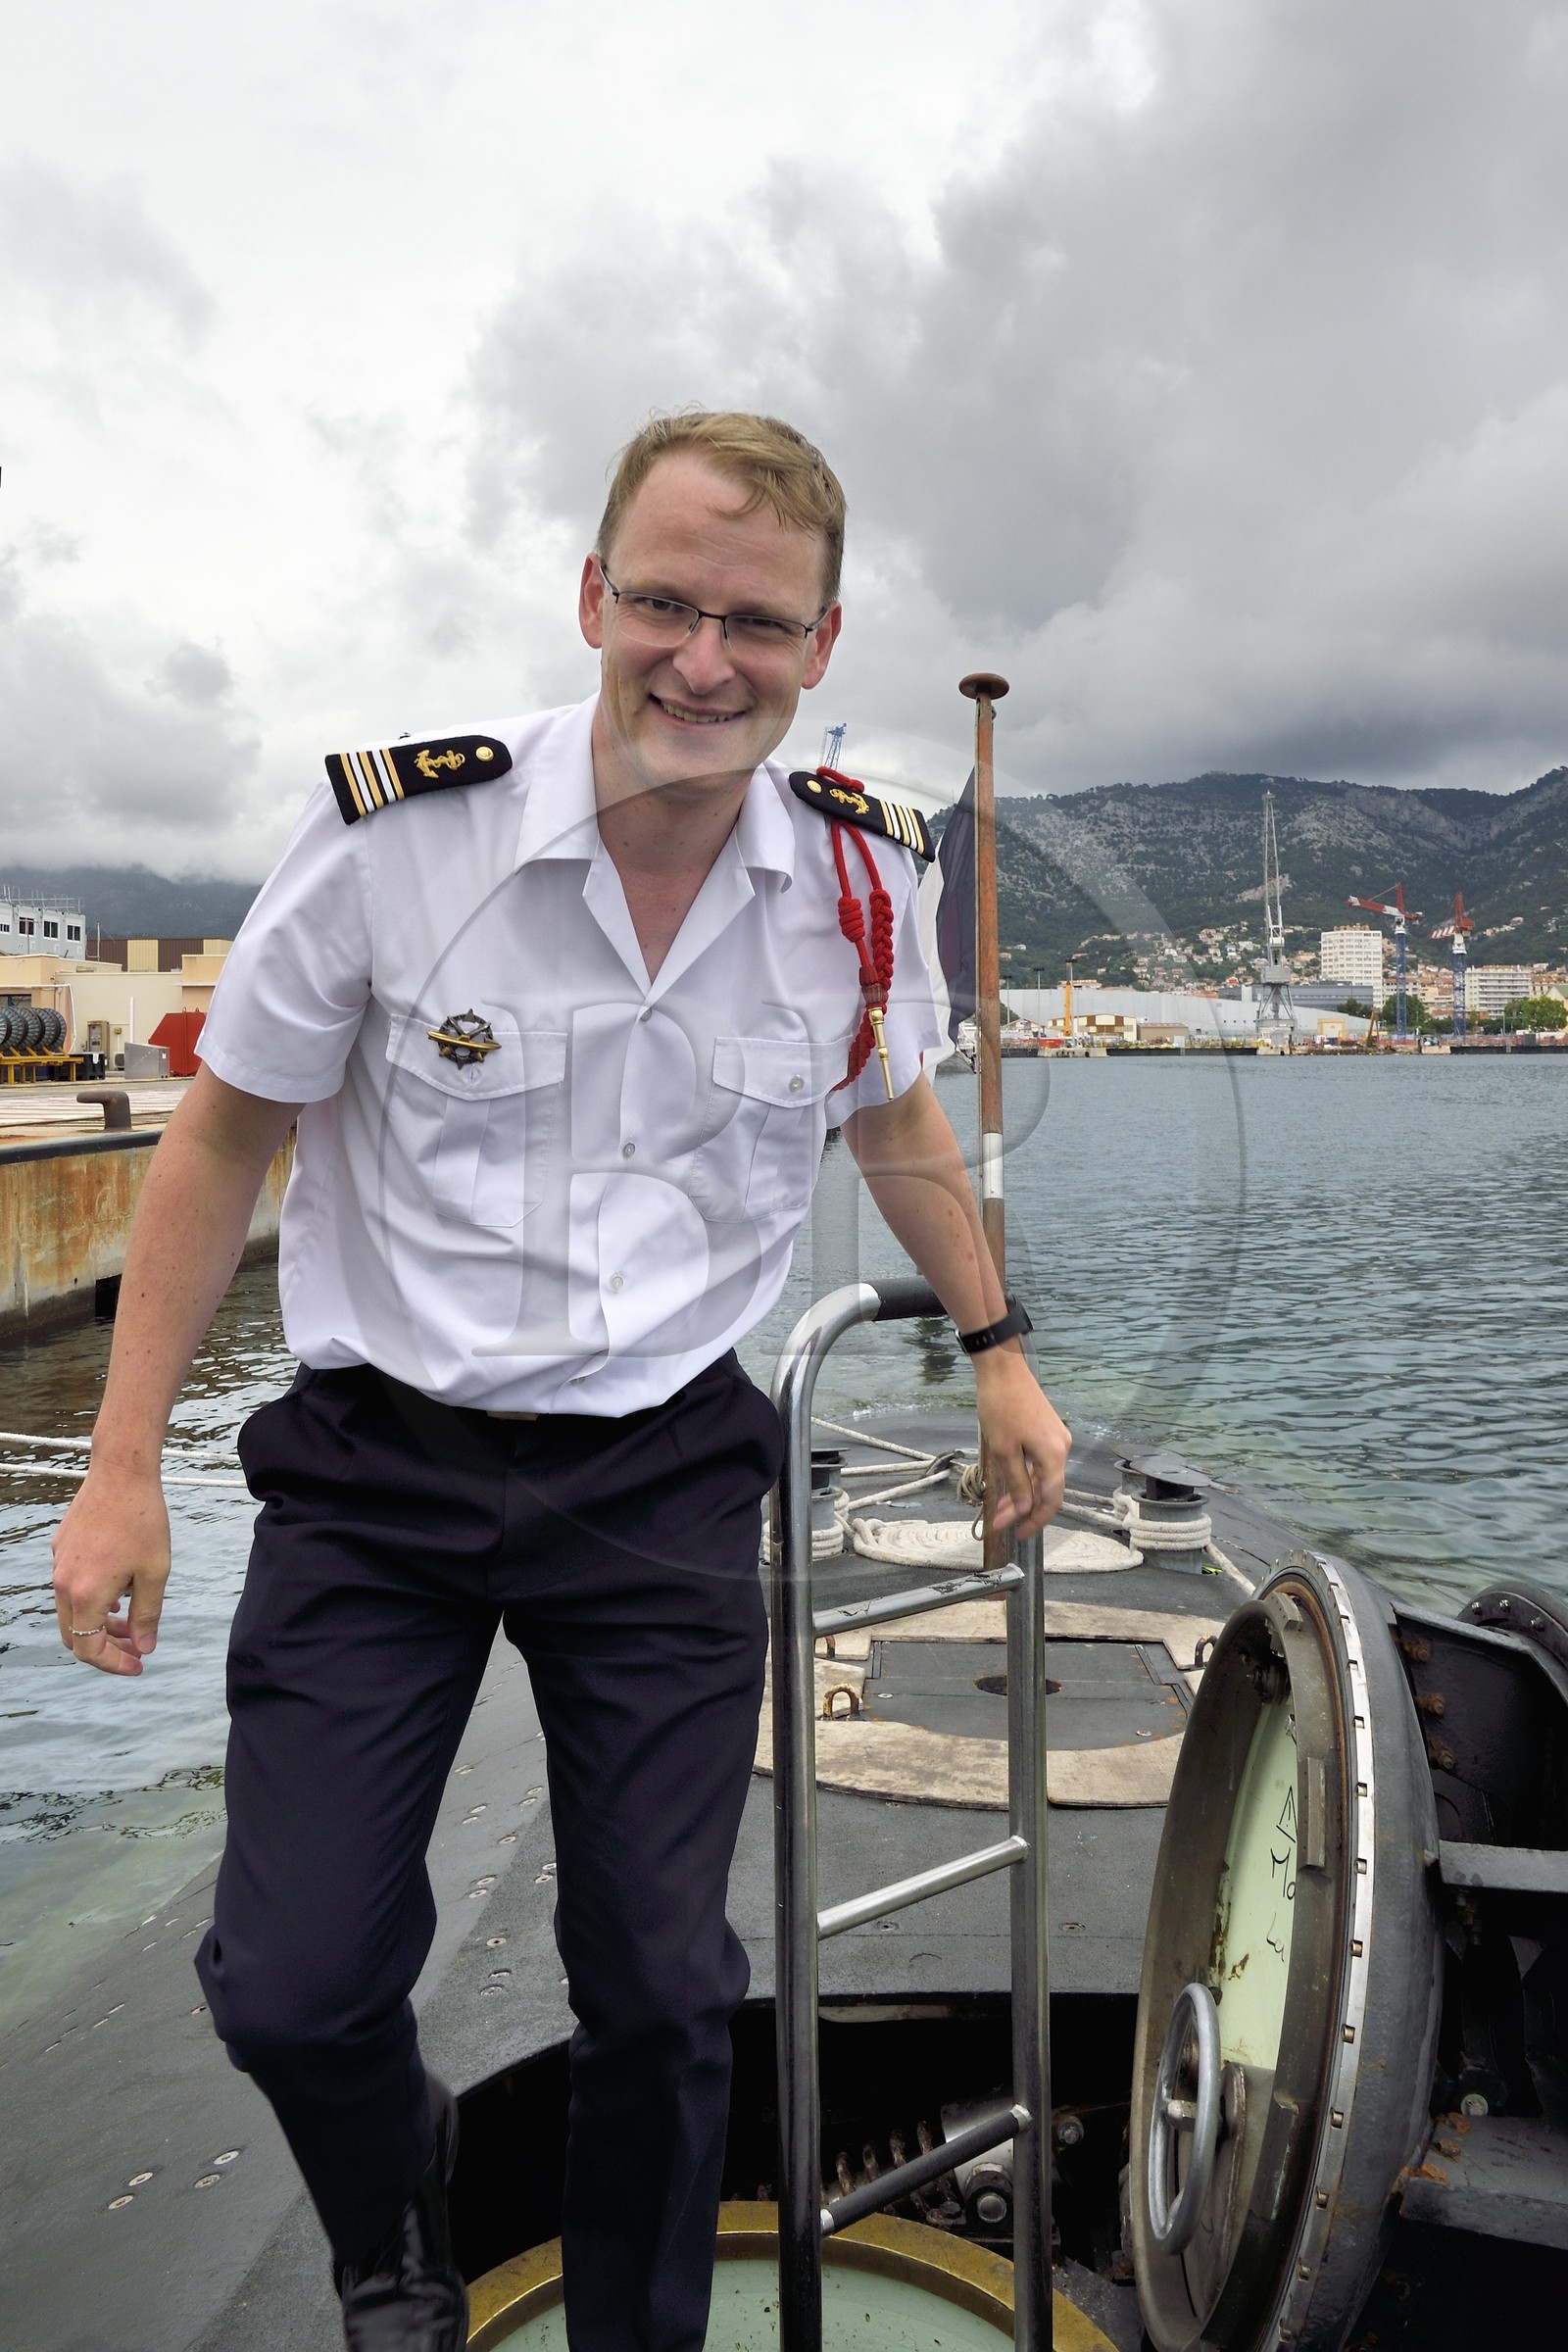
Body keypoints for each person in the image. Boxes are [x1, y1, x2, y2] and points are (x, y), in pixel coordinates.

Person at [52, 411, 1070, 2352]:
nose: (704, 658)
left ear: (821, 643)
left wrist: (998, 1355)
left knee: (666, 1989)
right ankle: (394, 2225)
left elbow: (894, 1120)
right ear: (592, 596)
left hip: (657, 1474)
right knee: (292, 1989)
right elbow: (221, 1131)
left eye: (755, 623)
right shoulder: (399, 838)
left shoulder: (857, 884)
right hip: (379, 1471)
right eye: (667, 603)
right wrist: (120, 1469)